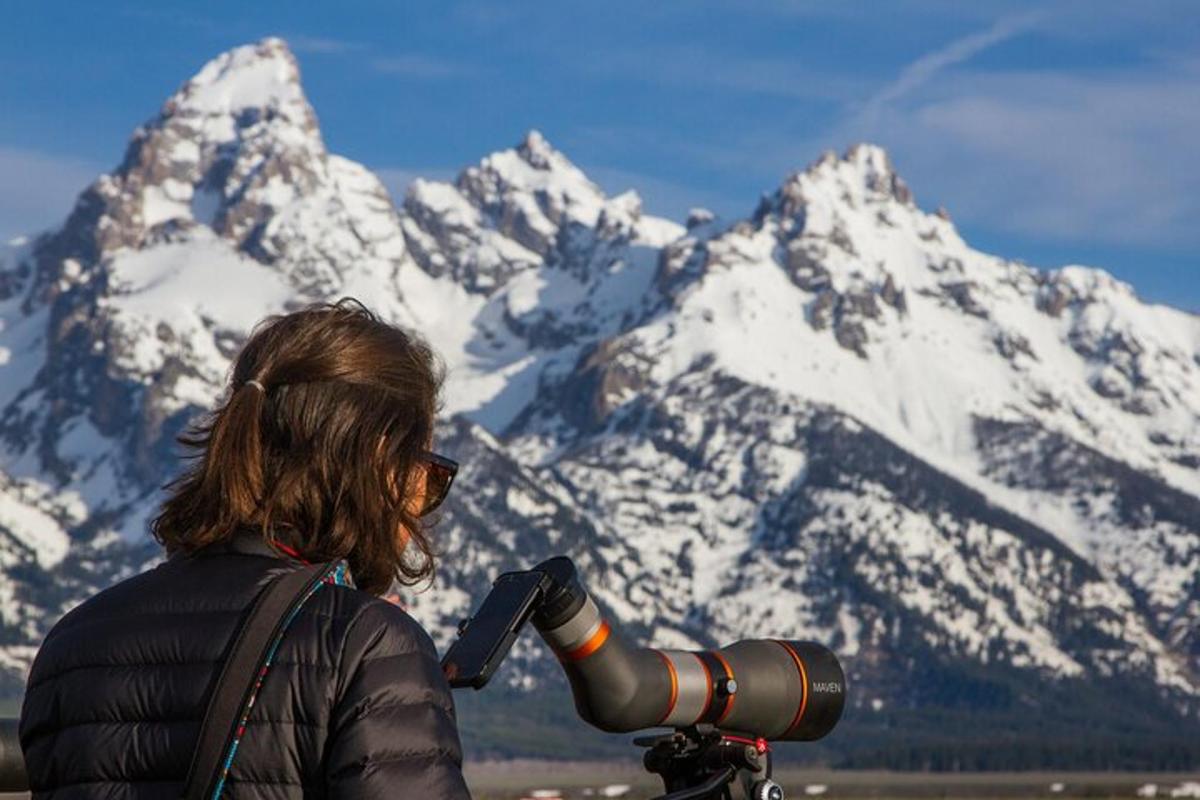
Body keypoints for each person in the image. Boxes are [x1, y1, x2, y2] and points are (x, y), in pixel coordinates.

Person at [18, 298, 473, 799]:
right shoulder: (365, 644)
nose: (423, 498)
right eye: (424, 469)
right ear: (375, 463)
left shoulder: (75, 640)